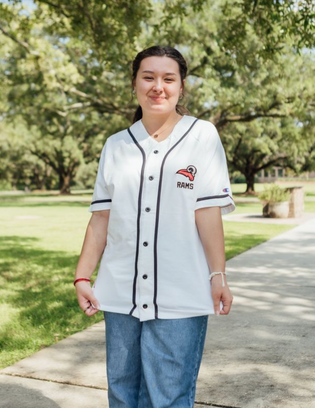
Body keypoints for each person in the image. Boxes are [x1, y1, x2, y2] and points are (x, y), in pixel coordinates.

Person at [74, 45, 235, 408]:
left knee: (168, 397)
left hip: (181, 293)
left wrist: (218, 276)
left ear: (181, 87)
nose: (157, 86)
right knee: (123, 394)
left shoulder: (202, 136)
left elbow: (207, 213)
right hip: (119, 294)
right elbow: (101, 218)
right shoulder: (116, 145)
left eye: (168, 78)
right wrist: (83, 277)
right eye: (148, 77)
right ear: (134, 84)